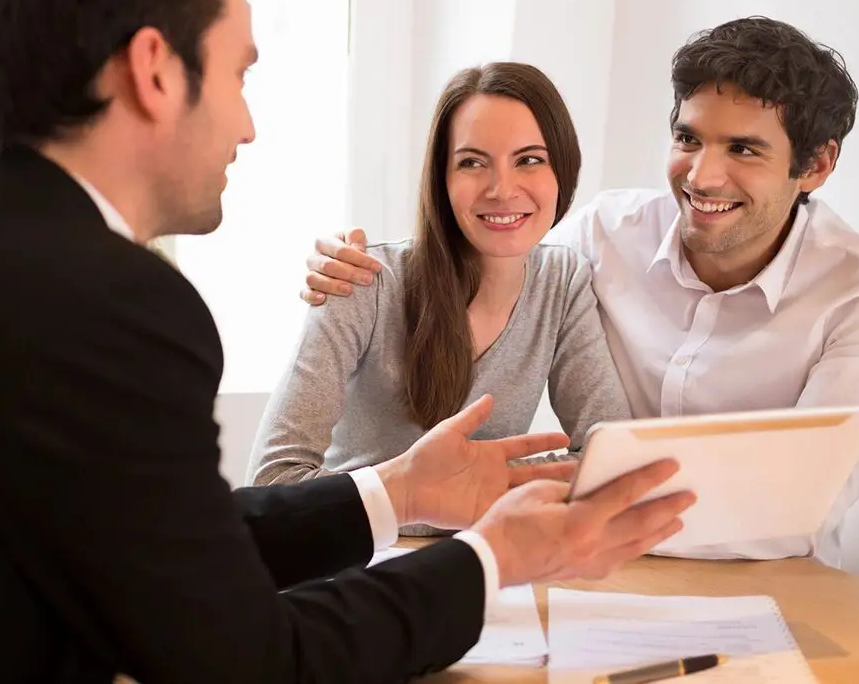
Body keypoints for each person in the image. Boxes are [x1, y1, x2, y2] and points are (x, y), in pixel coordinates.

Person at [0, 0, 696, 684]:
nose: (248, 126)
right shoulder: (115, 305)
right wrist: (489, 560)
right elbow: (247, 657)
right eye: (239, 74)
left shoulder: (1, 261)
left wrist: (397, 488)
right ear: (154, 72)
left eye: (529, 161)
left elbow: (168, 542)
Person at [302, 16, 859, 567]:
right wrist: (353, 266)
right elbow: (502, 237)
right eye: (688, 139)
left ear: (814, 166)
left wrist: (546, 502)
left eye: (744, 149)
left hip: (787, 576)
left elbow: (797, 503)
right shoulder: (604, 234)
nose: (702, 175)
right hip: (611, 566)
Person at [247, 62, 631, 522]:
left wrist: (478, 487)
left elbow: (611, 457)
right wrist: (430, 494)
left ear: (562, 170)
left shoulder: (562, 281)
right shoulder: (364, 281)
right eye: (472, 162)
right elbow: (273, 485)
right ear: (441, 179)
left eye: (529, 159)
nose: (501, 189)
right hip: (359, 564)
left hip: (484, 561)